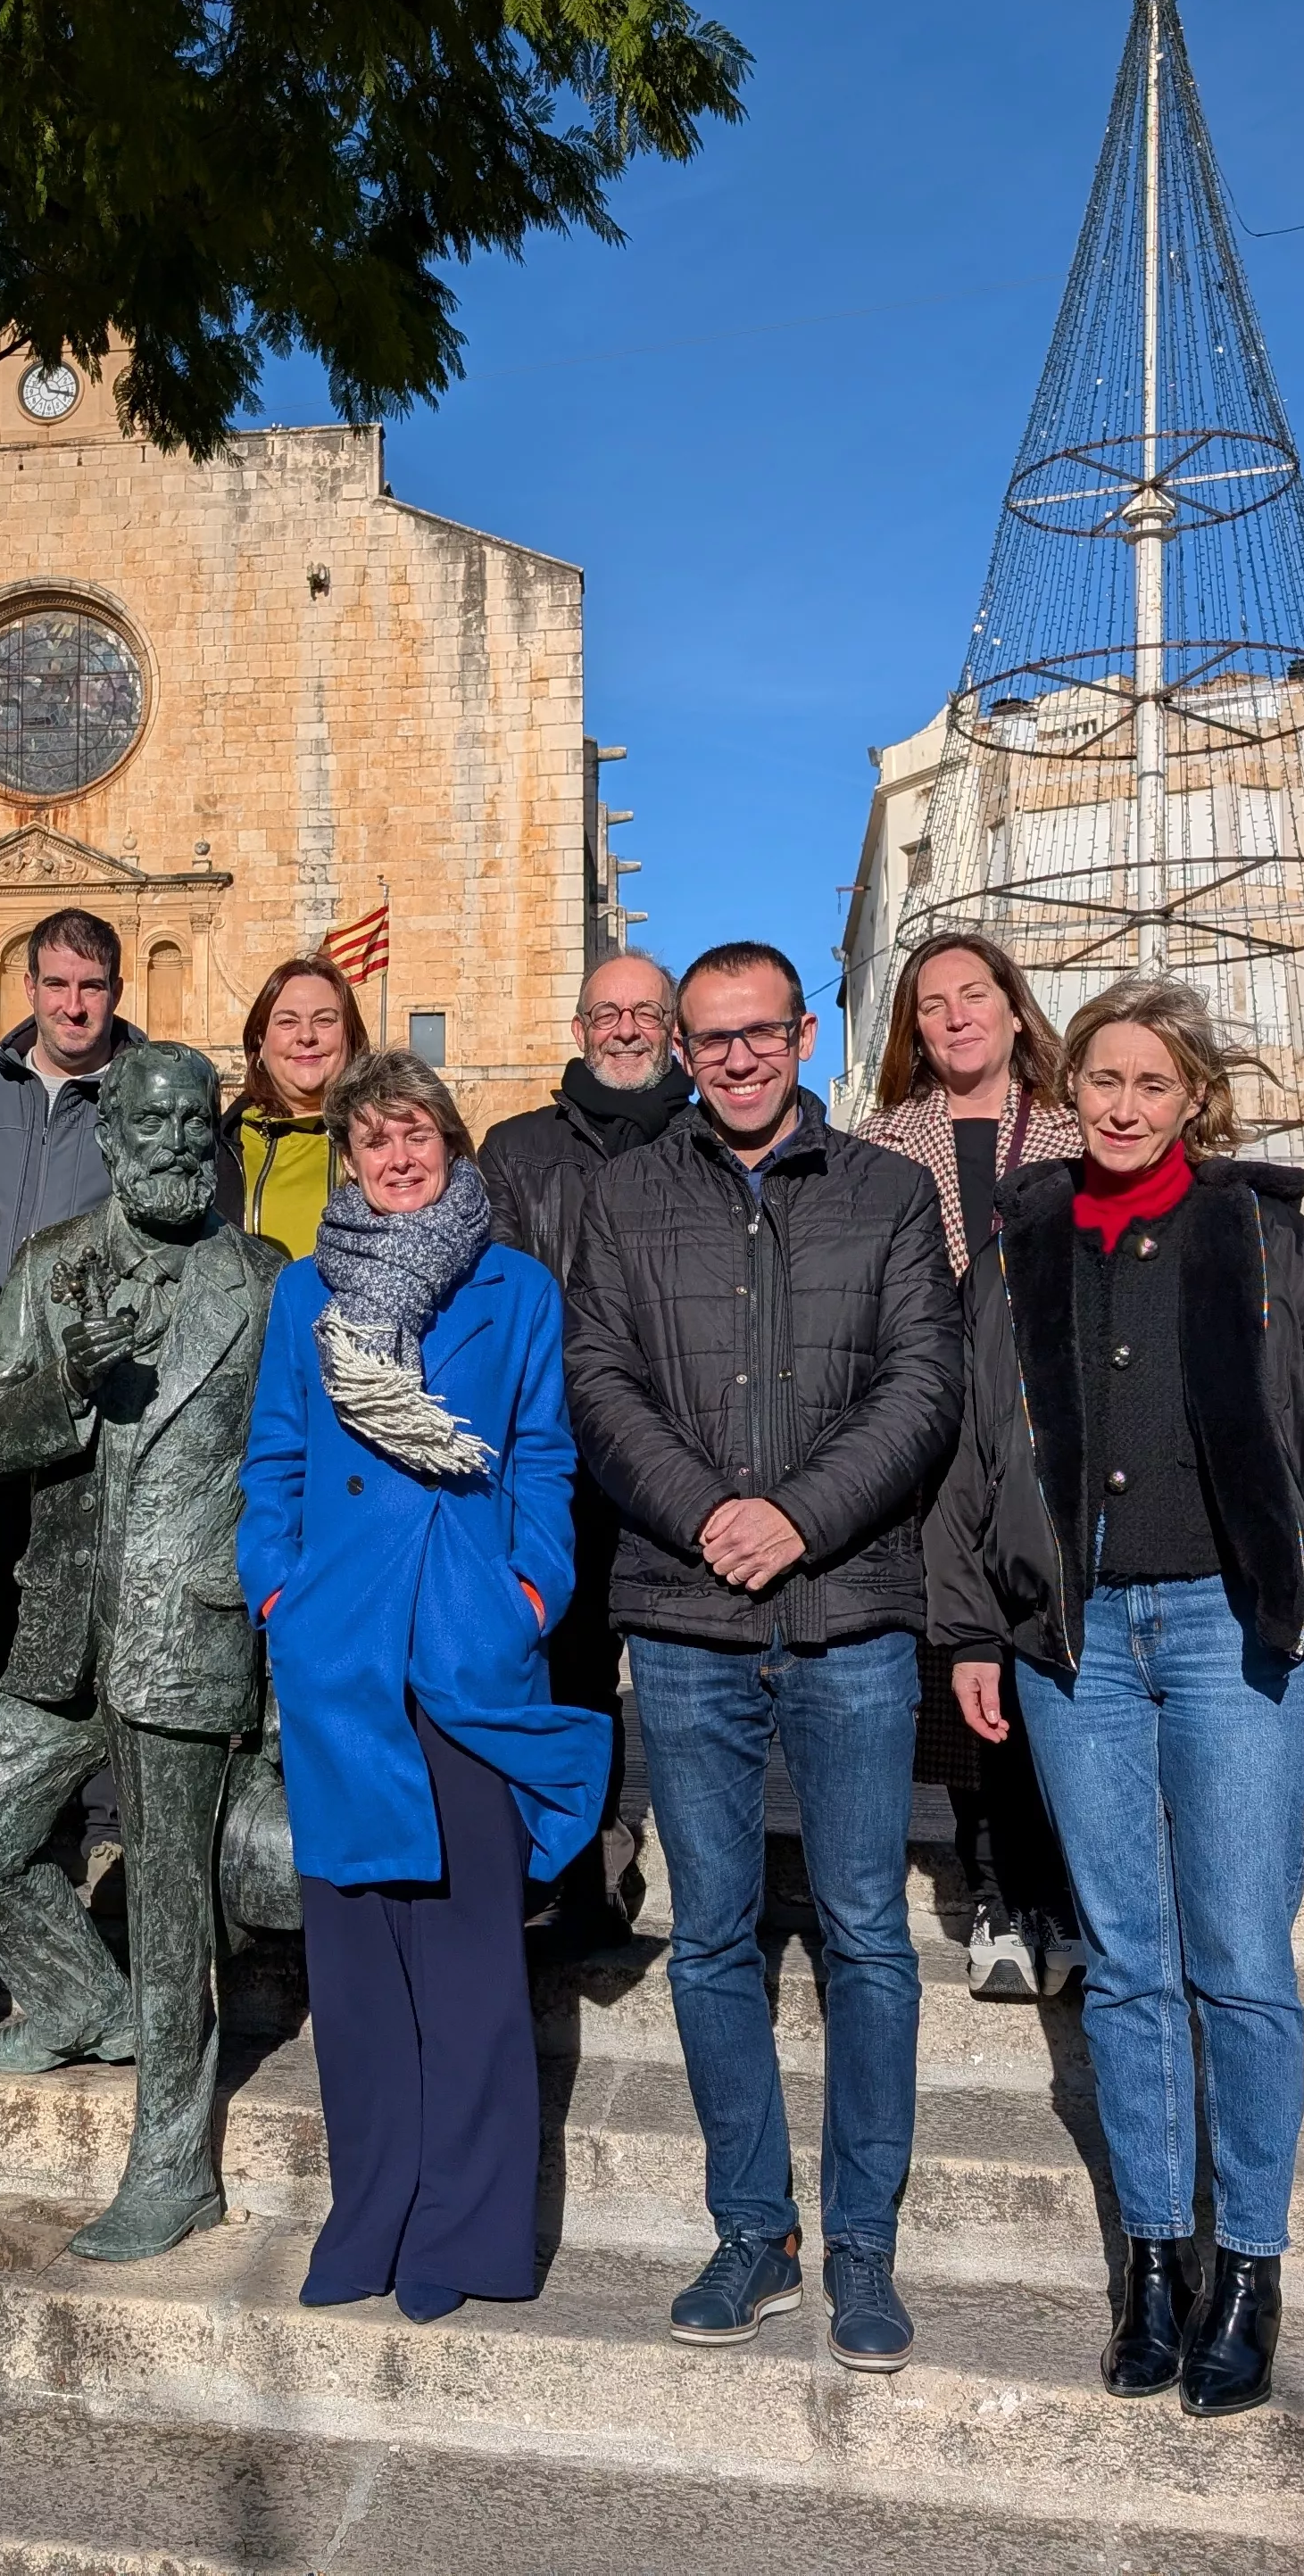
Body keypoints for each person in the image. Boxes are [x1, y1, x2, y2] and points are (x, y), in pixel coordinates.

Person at [928, 976, 1304, 2420]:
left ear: (1194, 1096)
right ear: (1069, 1094)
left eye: (1151, 1084)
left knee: (1239, 1956)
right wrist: (973, 1624)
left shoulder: (1271, 1243)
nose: (1124, 1107)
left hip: (1234, 1632)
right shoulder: (1017, 1246)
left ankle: (1249, 2264)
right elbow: (973, 1451)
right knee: (1129, 1961)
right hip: (1074, 1642)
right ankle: (1154, 2257)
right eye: (1102, 1084)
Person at [561, 940, 960, 2371]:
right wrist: (708, 1514)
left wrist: (796, 1517)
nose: (733, 1058)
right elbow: (596, 1381)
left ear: (802, 1036)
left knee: (865, 1934)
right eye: (707, 1038)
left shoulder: (888, 1192)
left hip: (849, 1614)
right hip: (682, 1619)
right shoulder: (625, 1196)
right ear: (677, 1045)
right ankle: (752, 2231)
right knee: (713, 1937)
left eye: (758, 1035)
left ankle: (863, 2245)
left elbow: (925, 1384)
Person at [237, 1048, 606, 2322]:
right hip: (342, 1658)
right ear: (344, 1161)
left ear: (452, 1144)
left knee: (468, 1970)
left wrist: (523, 1597)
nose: (396, 1159)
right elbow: (274, 1460)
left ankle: (470, 2231)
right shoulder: (304, 1298)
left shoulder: (515, 1290)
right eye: (371, 1142)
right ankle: (373, 2213)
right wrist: (280, 1597)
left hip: (461, 1649)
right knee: (353, 1973)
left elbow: (546, 1460)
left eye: (417, 1136)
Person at [0, 1040, 286, 2263]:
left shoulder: (267, 1279)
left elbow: (297, 1479)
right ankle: (84, 2002)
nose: (177, 1142)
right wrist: (65, 1390)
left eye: (196, 1123)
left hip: (195, 1624)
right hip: (70, 1626)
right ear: (110, 1139)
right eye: (153, 1124)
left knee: (176, 1915)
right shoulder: (51, 1267)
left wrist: (279, 1692)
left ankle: (174, 2169)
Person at [859, 930, 1088, 2001]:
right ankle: (996, 1889)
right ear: (913, 1029)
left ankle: (1071, 1892)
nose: (954, 1016)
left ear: (1012, 1008)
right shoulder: (882, 1144)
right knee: (969, 1676)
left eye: (973, 995)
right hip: (940, 1448)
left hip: (1064, 1444)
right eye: (931, 1004)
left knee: (1066, 1665)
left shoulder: (1081, 1130)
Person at [475, 950, 688, 1943]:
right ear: (579, 1030)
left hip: (691, 1457)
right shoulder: (516, 1152)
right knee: (568, 1667)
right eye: (608, 1013)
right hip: (559, 1459)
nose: (626, 1029)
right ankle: (575, 1863)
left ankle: (699, 1866)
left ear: (673, 1027)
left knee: (696, 1673)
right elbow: (508, 1307)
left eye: (646, 1013)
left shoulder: (711, 1136)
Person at [0, 907, 140, 1733]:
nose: (74, 1004)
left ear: (117, 992)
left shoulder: (144, 1097)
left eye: (92, 986)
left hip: (95, 1407)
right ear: (29, 988)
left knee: (91, 1609)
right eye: (57, 983)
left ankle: (90, 1807)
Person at [221, 957, 364, 1258]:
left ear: (350, 1037)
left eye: (325, 1020)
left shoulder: (388, 1140)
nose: (306, 1036)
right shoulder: (218, 1148)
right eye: (287, 1021)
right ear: (260, 1041)